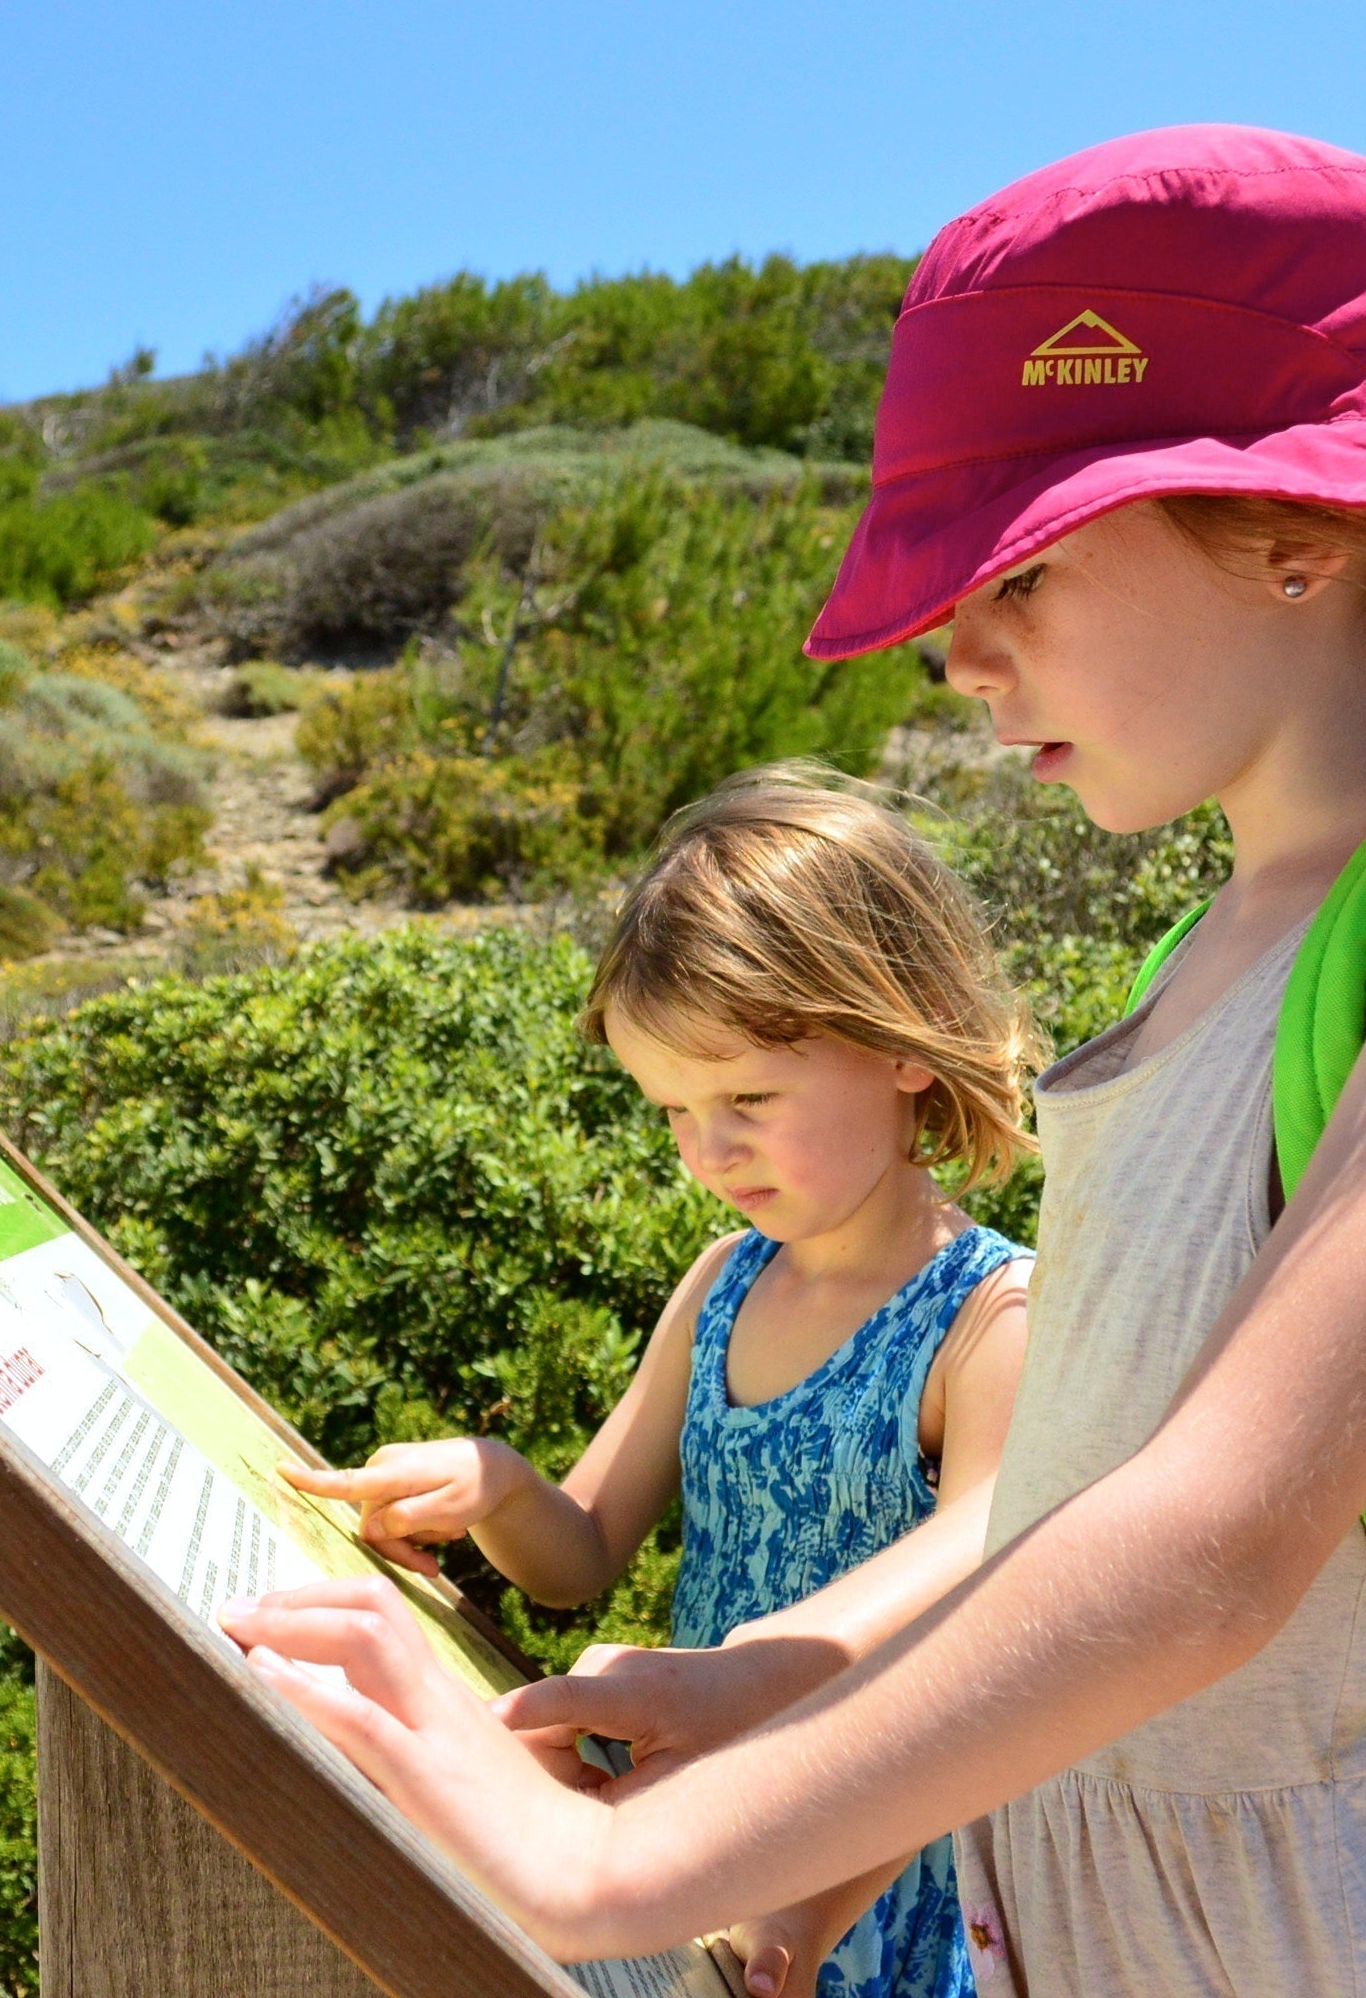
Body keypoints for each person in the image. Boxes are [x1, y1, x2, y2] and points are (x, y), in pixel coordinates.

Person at [226, 122, 1366, 1998]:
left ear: (1293, 526)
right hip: (1065, 1911)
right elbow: (1074, 1517)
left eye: (1021, 579)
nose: (958, 660)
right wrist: (826, 1768)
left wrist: (620, 1873)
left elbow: (1212, 1547)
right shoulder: (1222, 943)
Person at [279, 773, 1038, 1998]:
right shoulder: (724, 1284)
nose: (707, 1150)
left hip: (870, 1865)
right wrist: (495, 1484)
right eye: (673, 1109)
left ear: (906, 1035)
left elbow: (990, 1563)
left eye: (747, 1096)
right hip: (700, 1838)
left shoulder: (986, 1317)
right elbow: (578, 1558)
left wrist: (737, 1674)